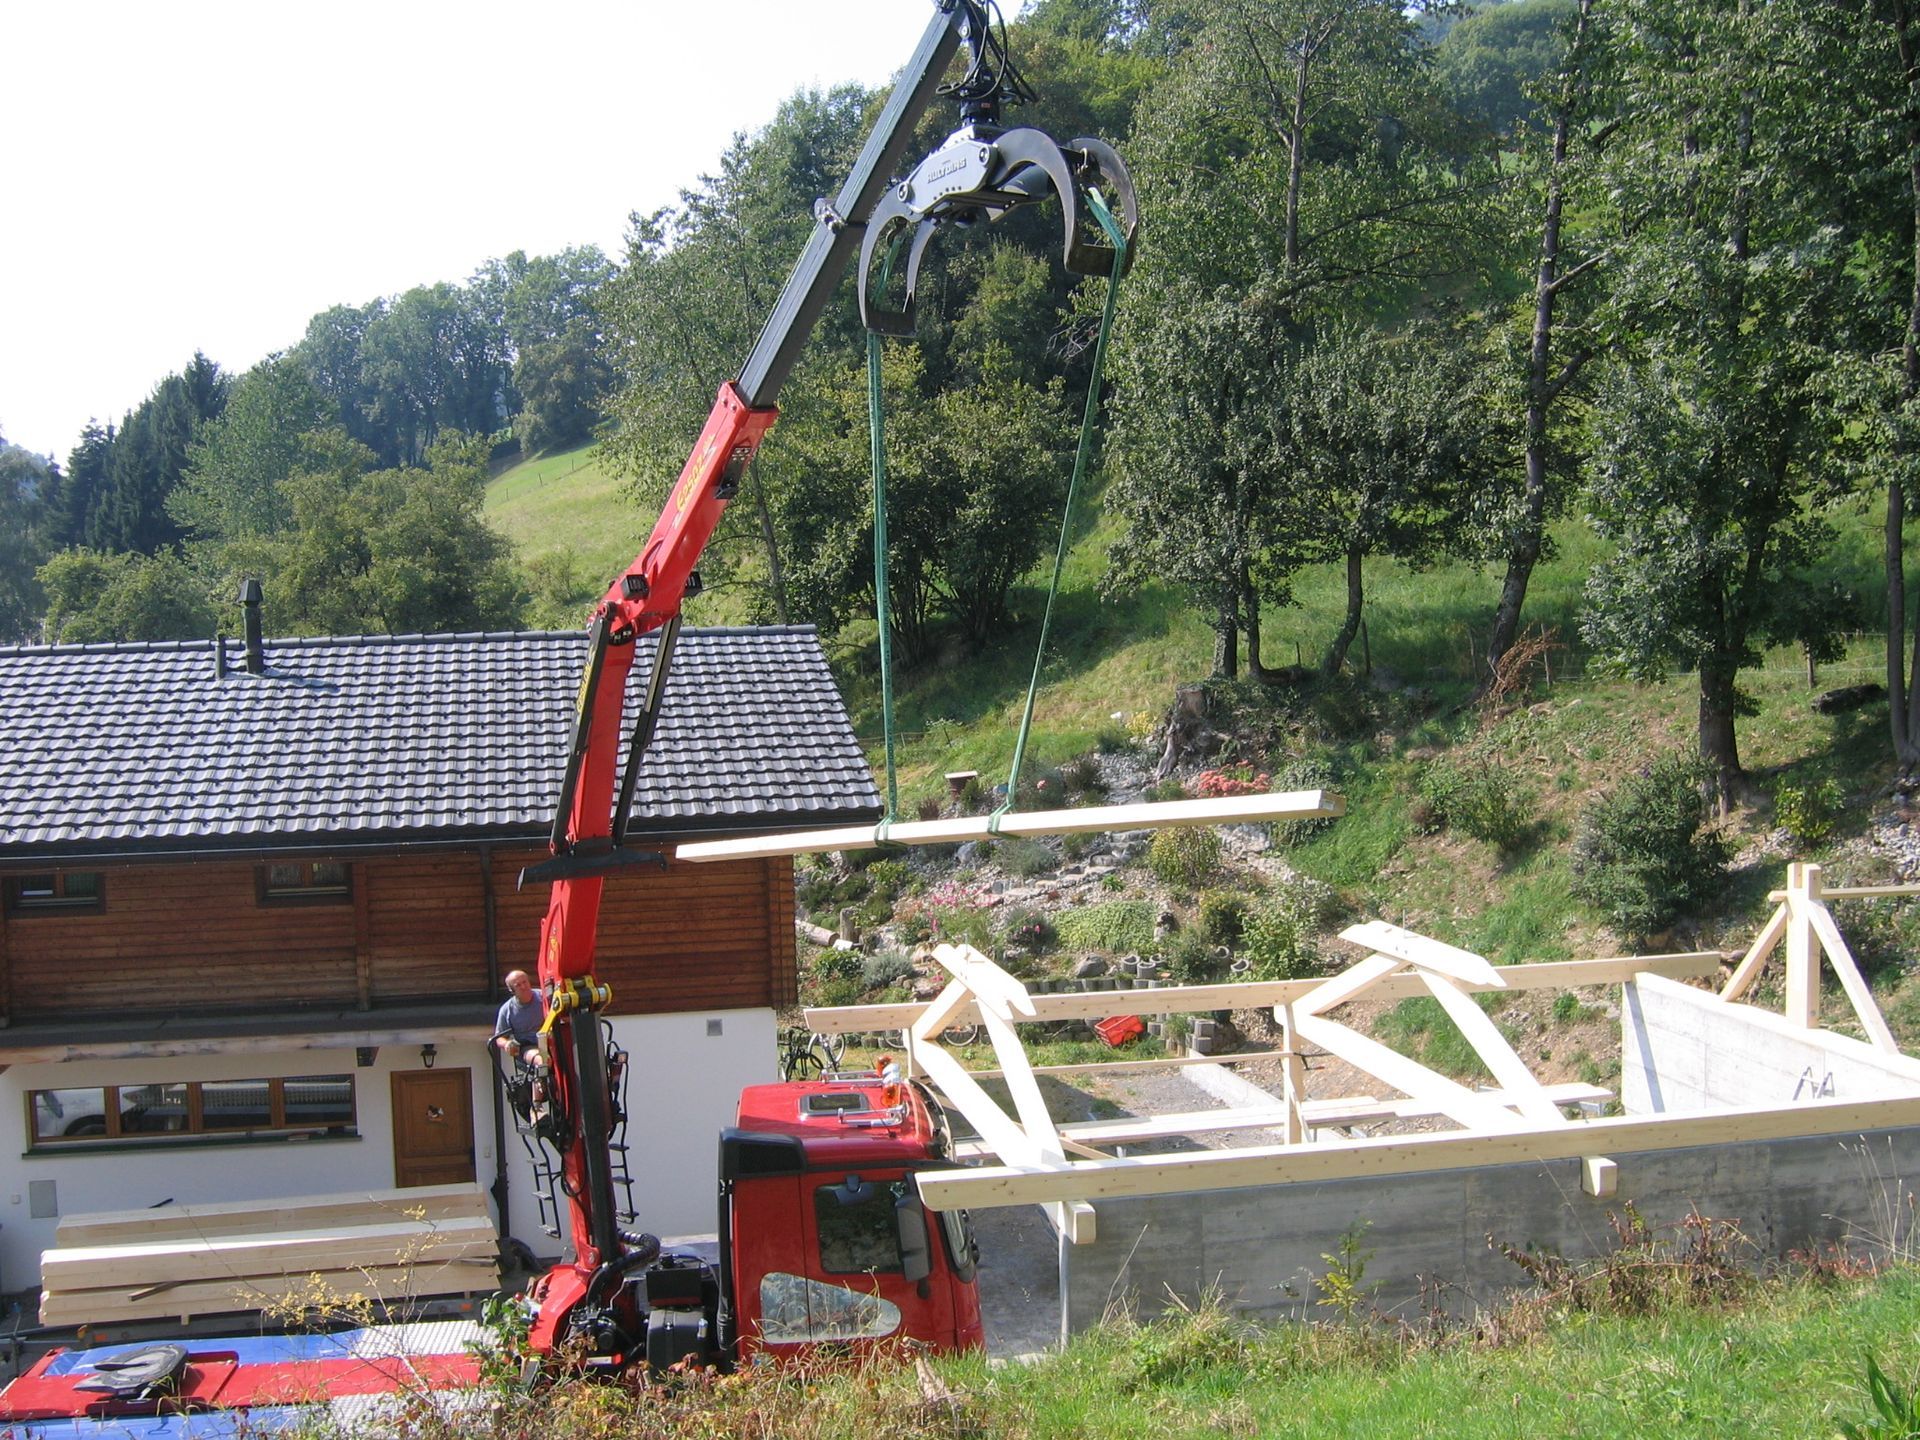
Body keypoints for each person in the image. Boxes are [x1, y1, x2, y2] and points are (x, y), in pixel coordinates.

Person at [494, 970, 547, 1067]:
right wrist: (507, 1044)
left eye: (524, 982)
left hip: (552, 1041)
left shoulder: (544, 997)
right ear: (512, 990)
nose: (523, 987)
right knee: (543, 1059)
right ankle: (542, 1079)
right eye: (518, 985)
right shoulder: (507, 1010)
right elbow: (499, 1038)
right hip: (529, 1047)